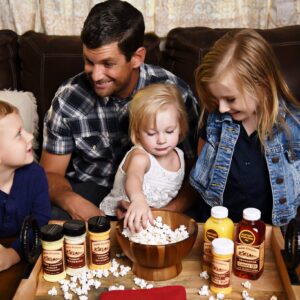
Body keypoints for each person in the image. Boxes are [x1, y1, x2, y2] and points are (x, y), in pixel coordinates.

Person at [40, 0, 199, 221]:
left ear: (136, 58)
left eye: (107, 64)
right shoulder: (69, 98)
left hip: (158, 198)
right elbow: (50, 174)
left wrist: (161, 214)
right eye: (89, 61)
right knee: (47, 217)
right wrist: (72, 201)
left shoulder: (175, 94)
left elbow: (198, 172)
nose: (96, 75)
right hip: (89, 190)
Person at [190, 29, 300, 226]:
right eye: (217, 99)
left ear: (262, 84)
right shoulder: (217, 120)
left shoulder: (294, 127)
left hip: (267, 234)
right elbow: (201, 178)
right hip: (217, 227)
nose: (222, 108)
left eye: (230, 99)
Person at [100, 83, 187, 232]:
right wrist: (138, 199)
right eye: (151, 133)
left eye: (169, 131)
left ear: (180, 127)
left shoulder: (179, 155)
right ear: (137, 132)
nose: (161, 140)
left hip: (153, 219)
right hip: (121, 217)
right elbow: (134, 177)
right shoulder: (140, 156)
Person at [0, 100, 51, 271]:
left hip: (23, 250)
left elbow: (40, 221)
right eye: (18, 134)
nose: (30, 136)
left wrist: (13, 254)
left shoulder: (35, 174)